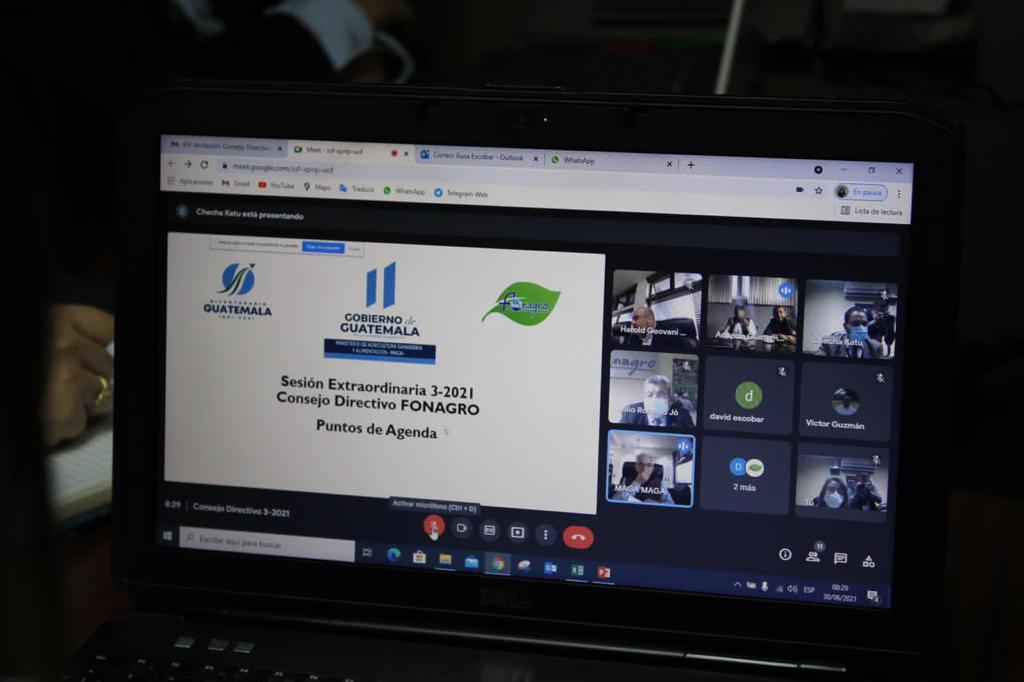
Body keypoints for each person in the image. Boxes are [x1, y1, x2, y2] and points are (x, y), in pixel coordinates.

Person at [619, 375, 696, 429]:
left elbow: (692, 440)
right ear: (644, 398)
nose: (654, 399)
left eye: (660, 395)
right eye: (649, 395)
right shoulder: (630, 413)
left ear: (670, 399)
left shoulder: (682, 415)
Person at [818, 306, 884, 359]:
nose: (861, 328)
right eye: (855, 323)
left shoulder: (876, 347)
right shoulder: (829, 344)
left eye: (864, 324)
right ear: (845, 327)